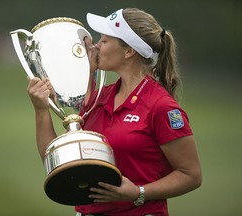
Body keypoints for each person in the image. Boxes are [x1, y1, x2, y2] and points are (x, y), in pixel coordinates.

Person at [27, 8, 202, 216]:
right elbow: (58, 162)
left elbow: (191, 175)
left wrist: (139, 192)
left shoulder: (161, 106)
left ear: (129, 51)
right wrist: (41, 110)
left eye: (104, 41)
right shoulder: (99, 97)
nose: (95, 46)